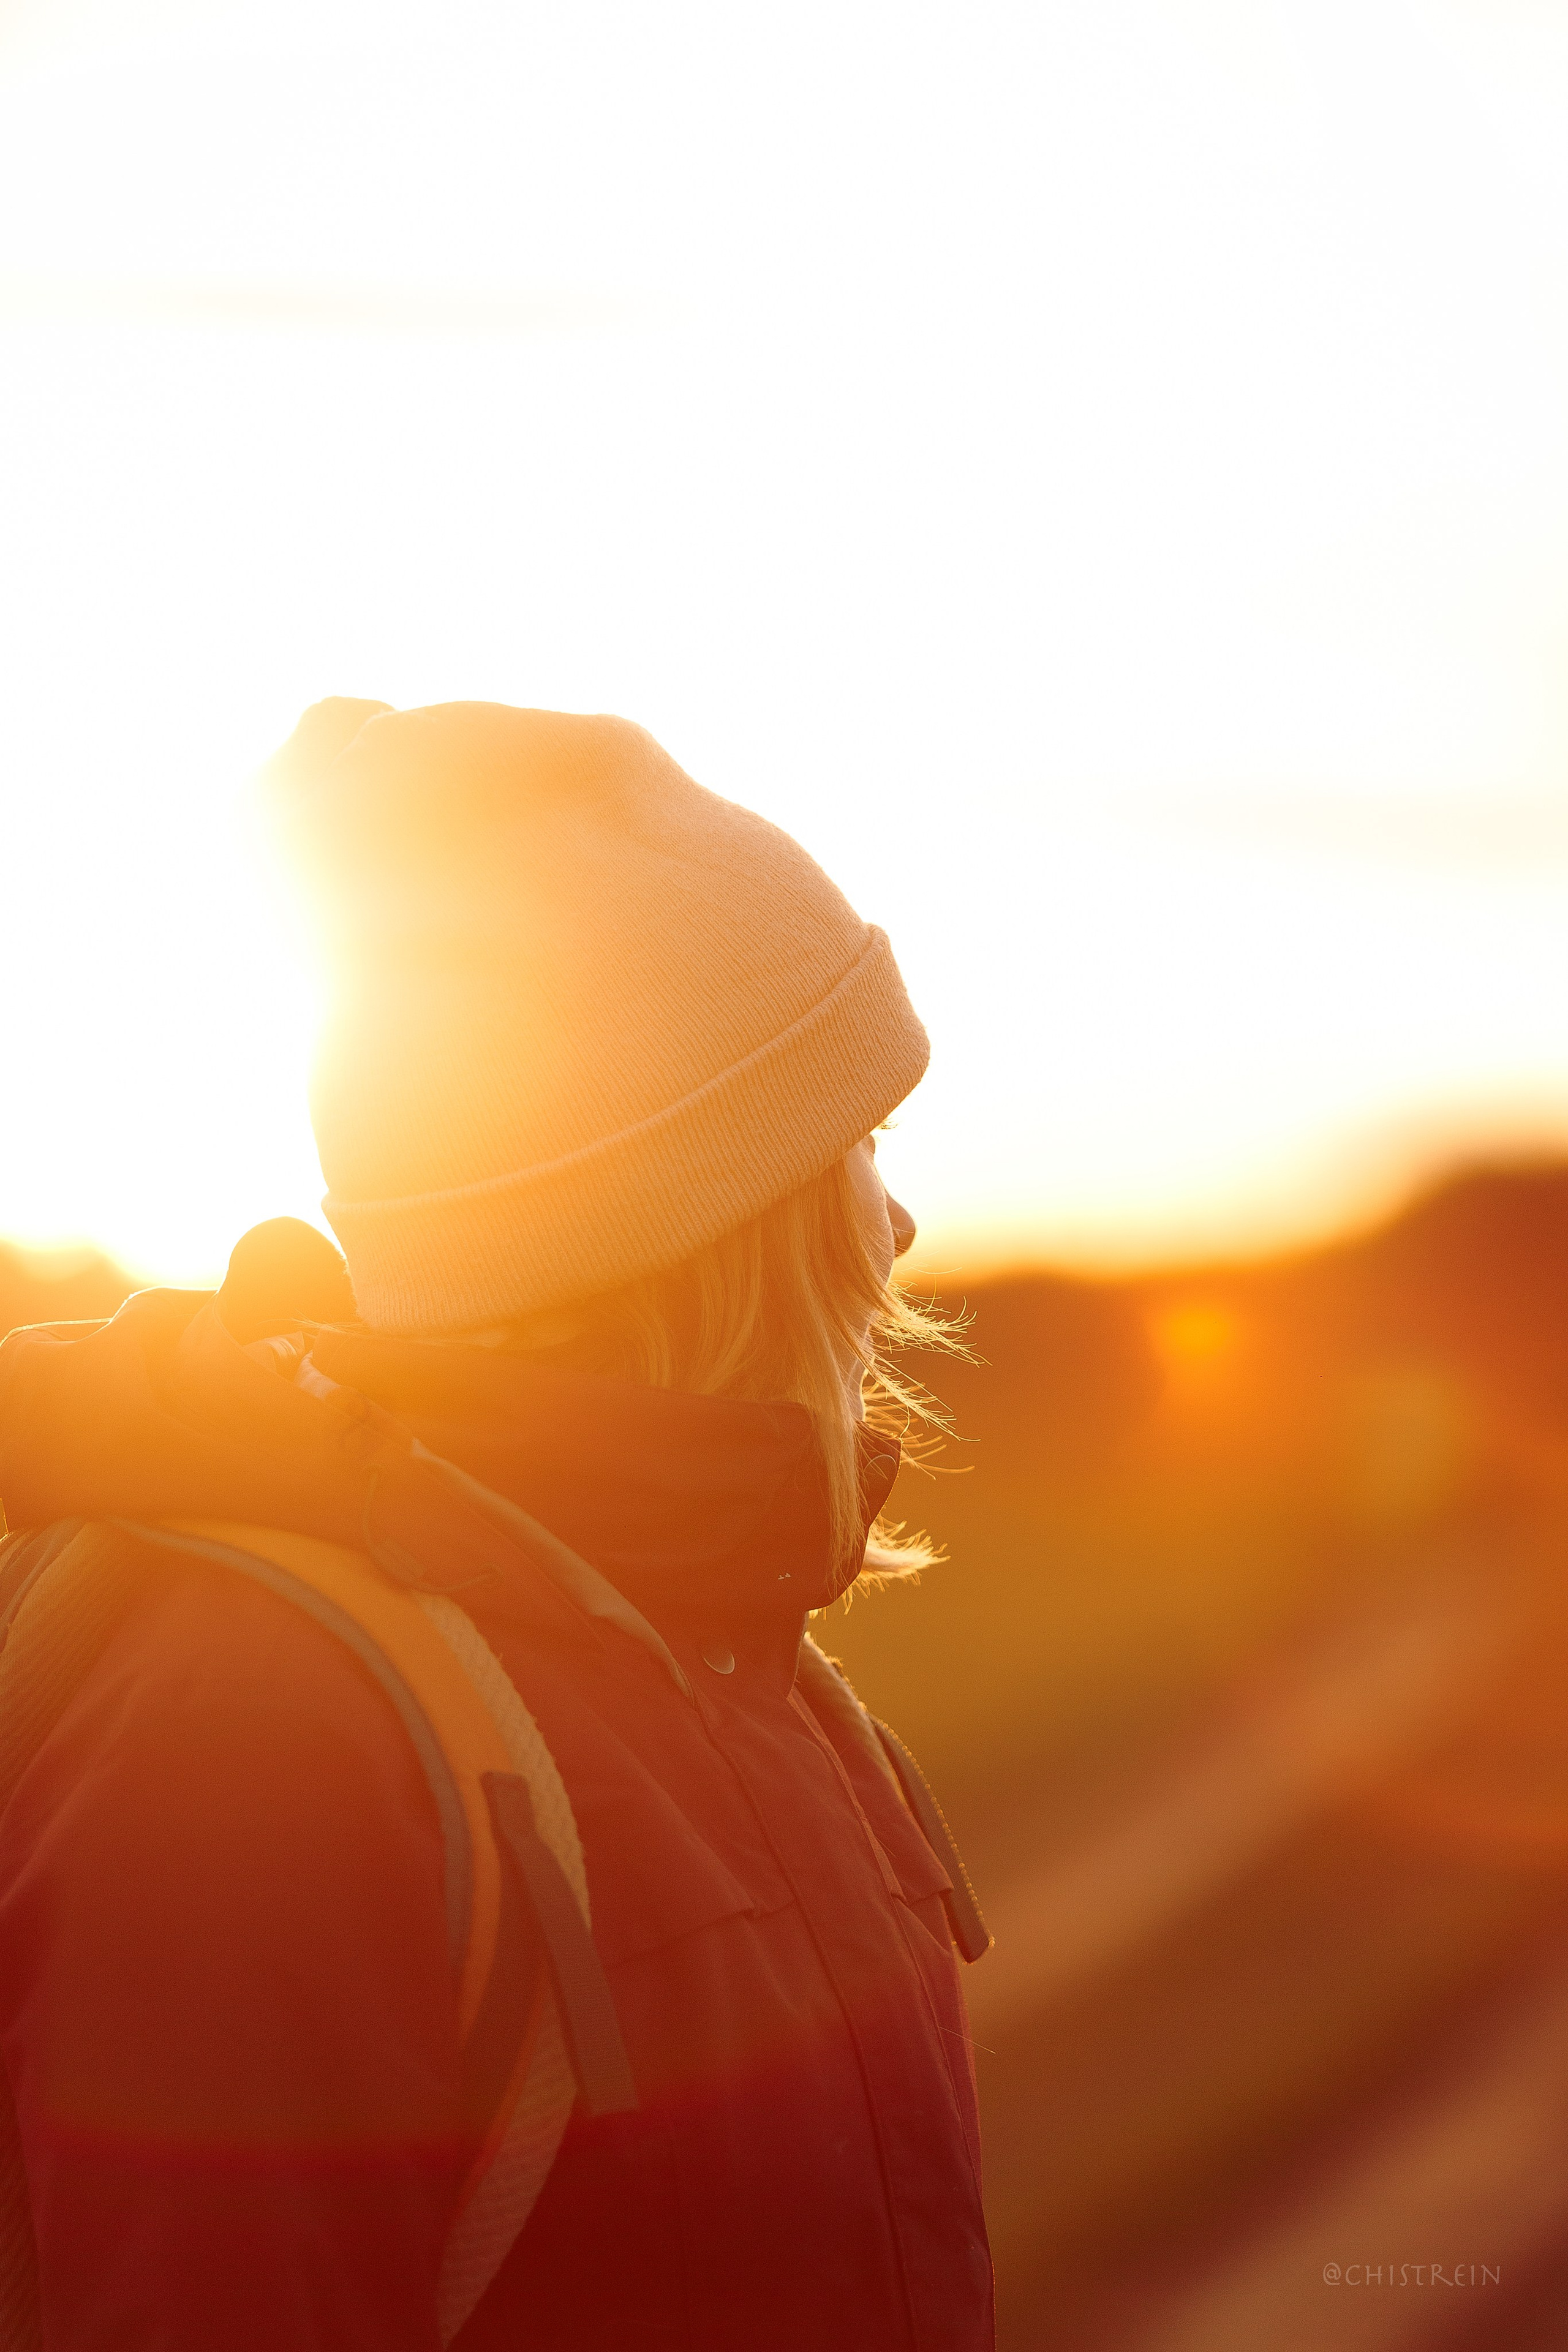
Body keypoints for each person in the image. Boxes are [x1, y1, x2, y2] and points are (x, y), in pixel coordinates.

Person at [0, 700, 993, 2350]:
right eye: (852, 1141)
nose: (896, 1222)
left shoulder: (743, 1666)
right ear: (700, 1221)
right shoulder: (256, 1746)